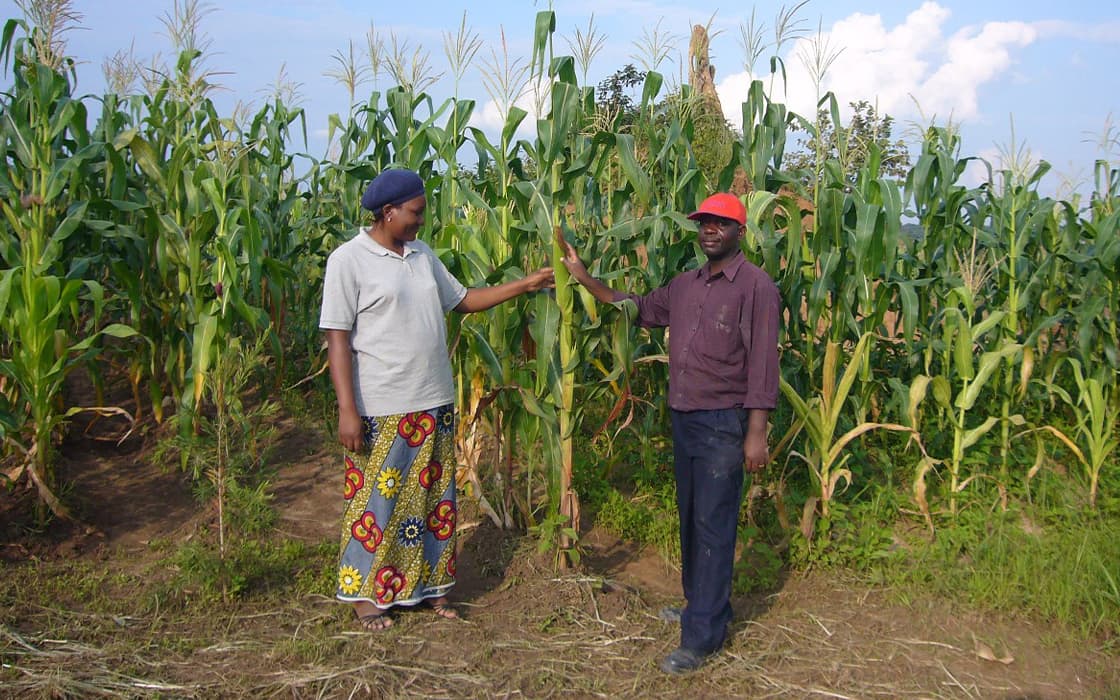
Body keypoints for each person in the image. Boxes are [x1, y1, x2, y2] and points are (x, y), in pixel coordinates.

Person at [320, 168, 554, 631]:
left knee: (430, 503)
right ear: (388, 212)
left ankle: (427, 588)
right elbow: (337, 339)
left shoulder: (422, 256)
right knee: (378, 506)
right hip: (381, 408)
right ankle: (369, 598)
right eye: (416, 212)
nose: (422, 221)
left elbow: (463, 300)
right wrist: (347, 410)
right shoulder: (349, 260)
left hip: (433, 403)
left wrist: (524, 285)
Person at [561, 192, 781, 674]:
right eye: (704, 223)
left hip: (725, 422)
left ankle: (702, 638)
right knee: (690, 518)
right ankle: (700, 609)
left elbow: (764, 362)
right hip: (684, 417)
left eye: (720, 225)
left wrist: (756, 432)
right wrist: (584, 279)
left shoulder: (755, 287)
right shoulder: (685, 285)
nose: (709, 231)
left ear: (739, 232)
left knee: (713, 526)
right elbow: (635, 308)